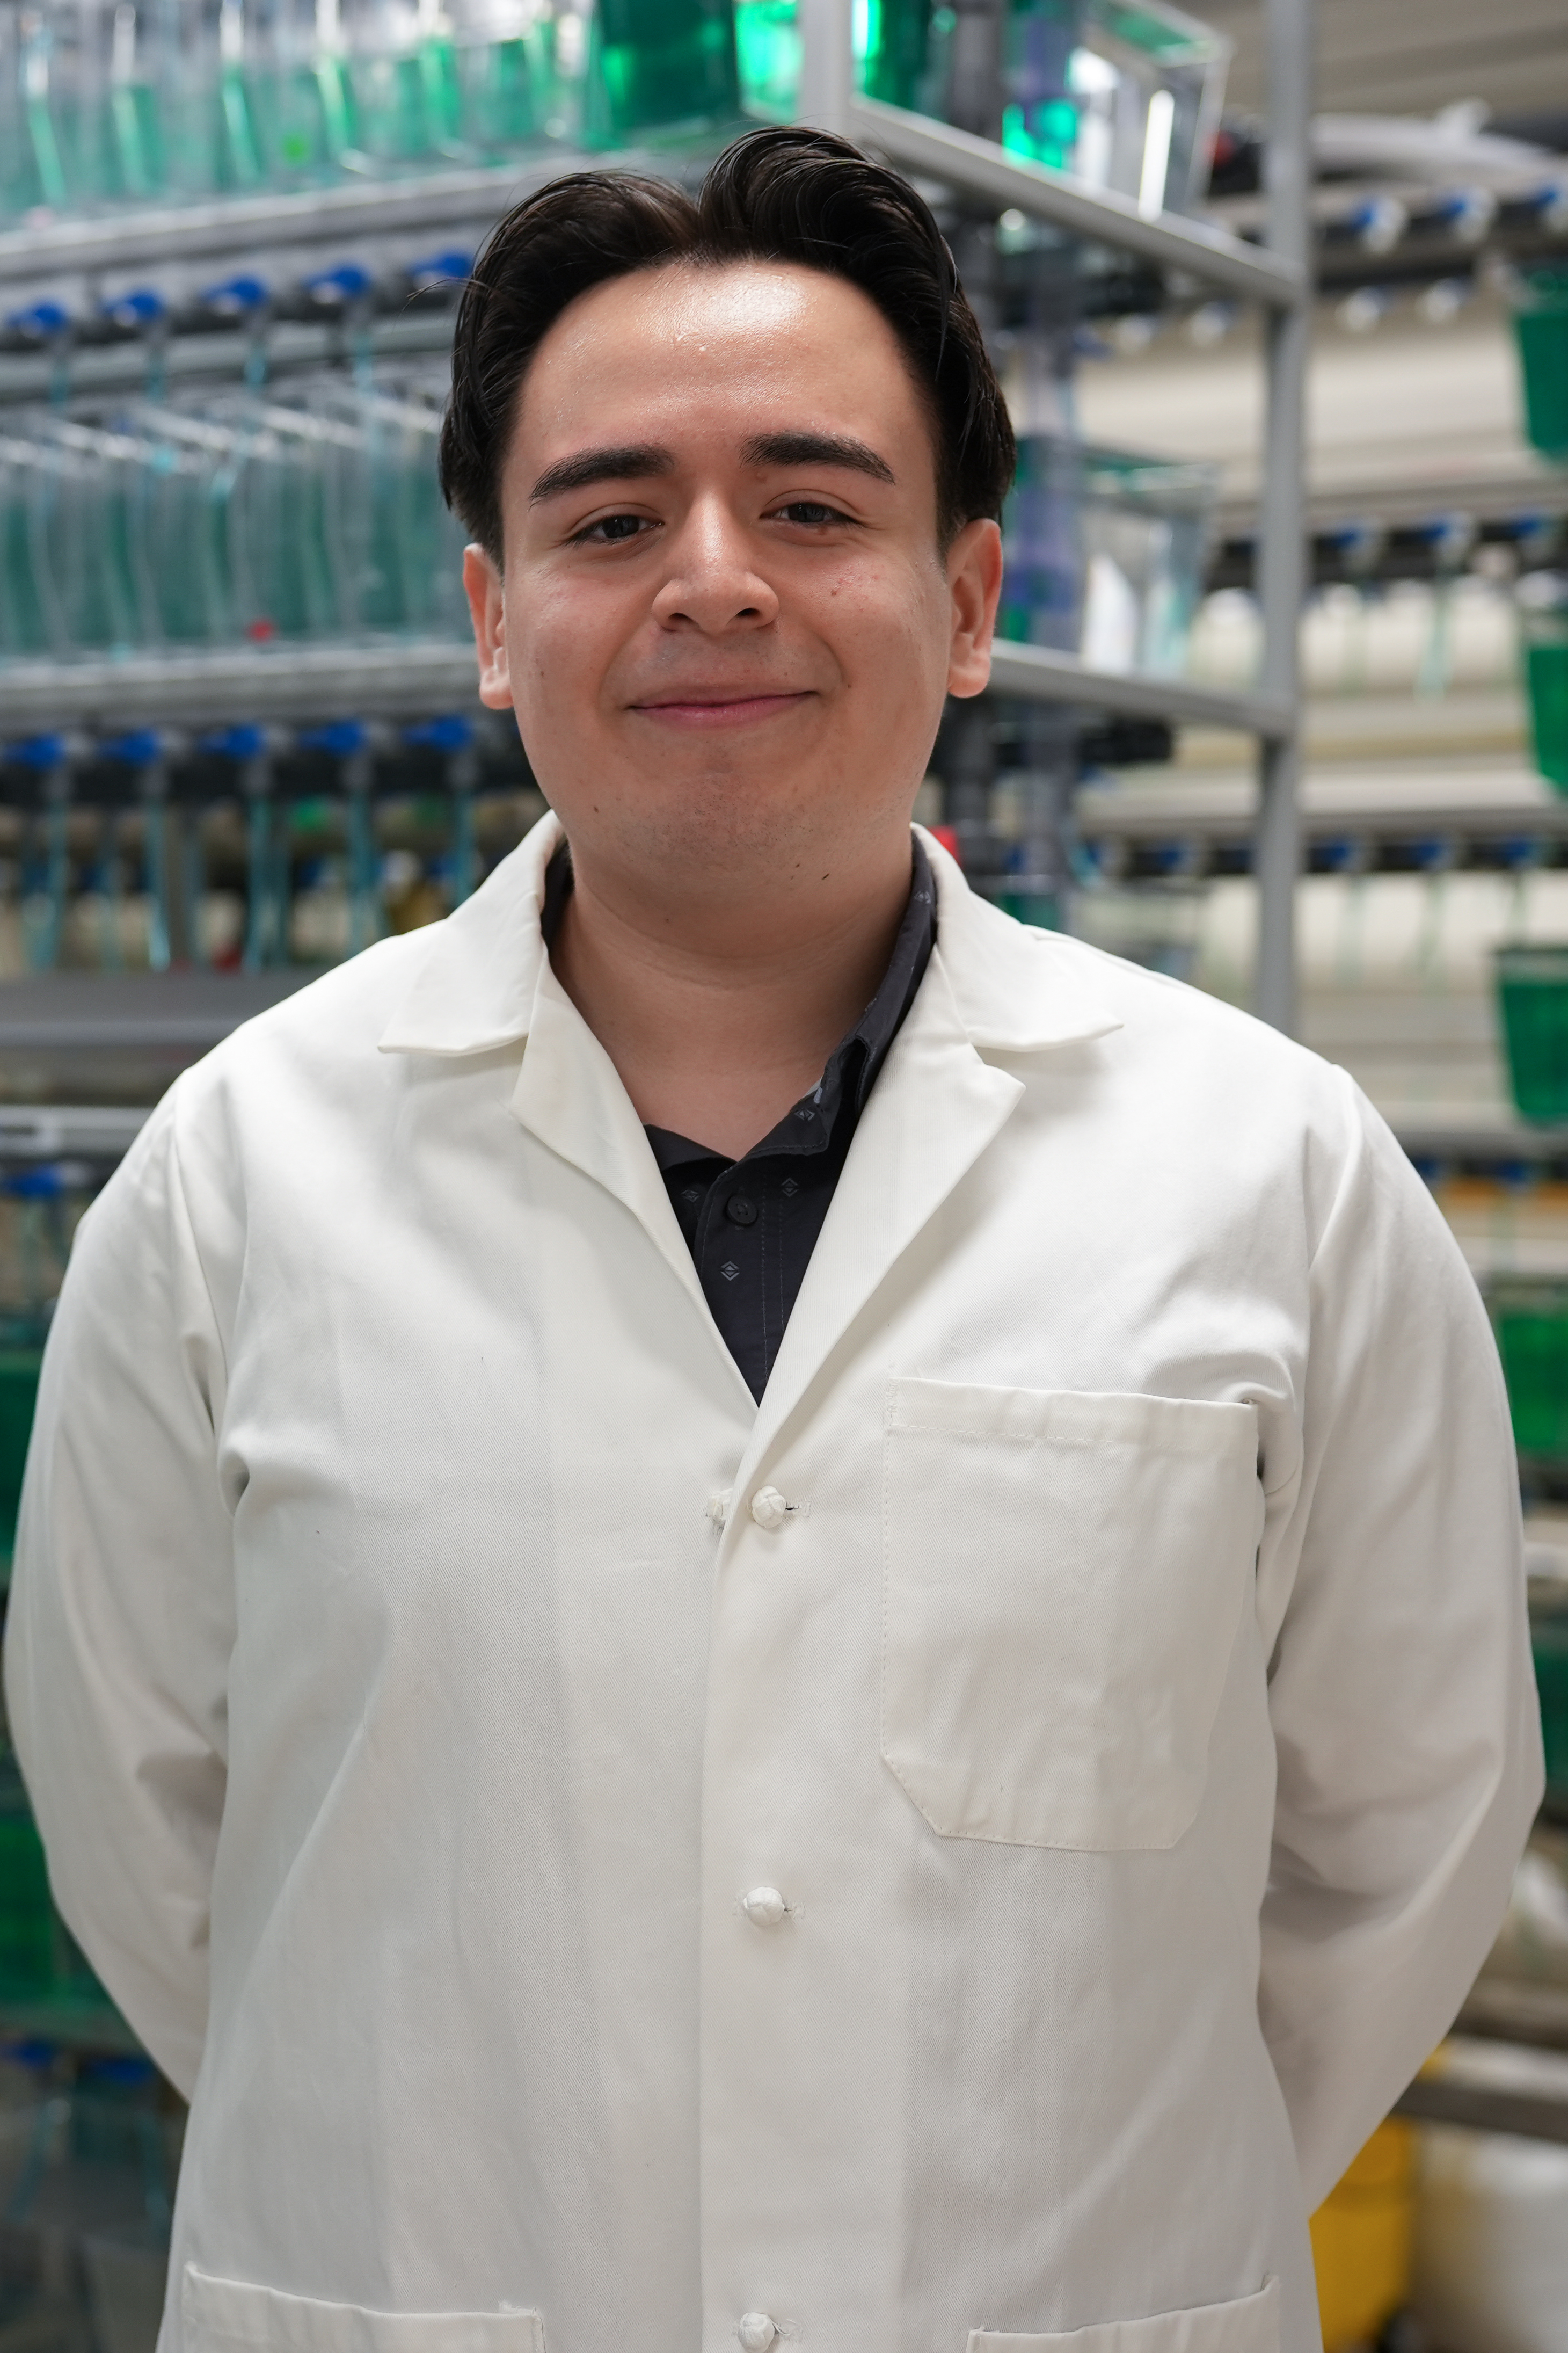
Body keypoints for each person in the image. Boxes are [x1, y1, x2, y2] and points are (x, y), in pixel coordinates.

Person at [4, 126, 1541, 2353]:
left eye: (812, 506)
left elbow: (1396, 1840)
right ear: (488, 620)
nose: (709, 577)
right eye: (608, 518)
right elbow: (145, 1829)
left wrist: (1067, 2219)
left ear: (972, 597)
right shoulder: (241, 1174)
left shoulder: (1267, 1173)